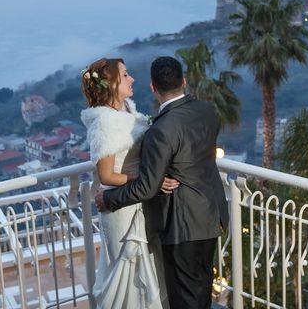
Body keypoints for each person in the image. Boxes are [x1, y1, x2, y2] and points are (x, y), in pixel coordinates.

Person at [95, 56, 229, 309]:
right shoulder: (208, 110)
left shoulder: (161, 129)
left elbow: (147, 186)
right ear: (184, 81)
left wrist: (109, 199)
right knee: (201, 288)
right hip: (212, 214)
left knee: (183, 298)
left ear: (153, 88)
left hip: (183, 223)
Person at [81, 57, 177, 309]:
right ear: (111, 83)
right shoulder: (106, 121)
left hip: (140, 200)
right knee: (128, 273)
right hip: (122, 208)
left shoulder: (128, 111)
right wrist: (149, 178)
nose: (132, 78)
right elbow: (106, 175)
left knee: (146, 271)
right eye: (125, 75)